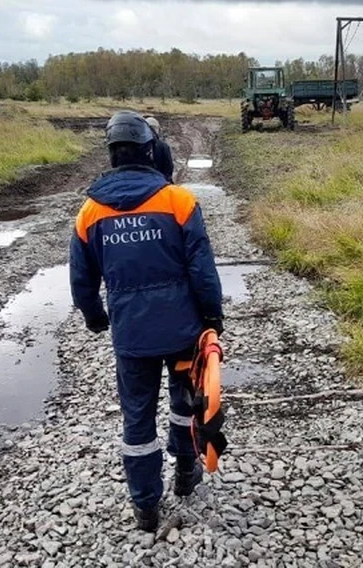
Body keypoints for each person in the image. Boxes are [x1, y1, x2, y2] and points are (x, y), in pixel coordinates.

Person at [70, 111, 223, 534]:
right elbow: (202, 269)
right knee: (183, 404)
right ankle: (185, 474)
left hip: (132, 335)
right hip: (181, 332)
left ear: (112, 154)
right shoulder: (178, 200)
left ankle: (145, 506)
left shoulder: (90, 211)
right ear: (149, 149)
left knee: (137, 418)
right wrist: (212, 316)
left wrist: (96, 317)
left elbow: (82, 280)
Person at [145, 116, 175, 183]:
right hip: (160, 183)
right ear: (157, 129)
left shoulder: (138, 144)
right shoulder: (163, 146)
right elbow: (169, 169)